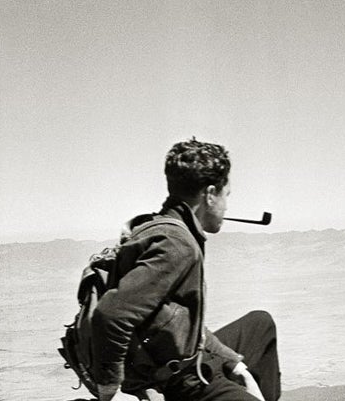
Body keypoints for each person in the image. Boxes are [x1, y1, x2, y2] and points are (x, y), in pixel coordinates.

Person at [92, 139, 281, 401]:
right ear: (210, 194)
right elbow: (111, 314)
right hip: (186, 382)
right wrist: (109, 390)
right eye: (226, 196)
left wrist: (235, 364)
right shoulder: (177, 244)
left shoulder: (162, 227)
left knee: (260, 324)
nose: (226, 206)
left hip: (193, 359)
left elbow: (185, 325)